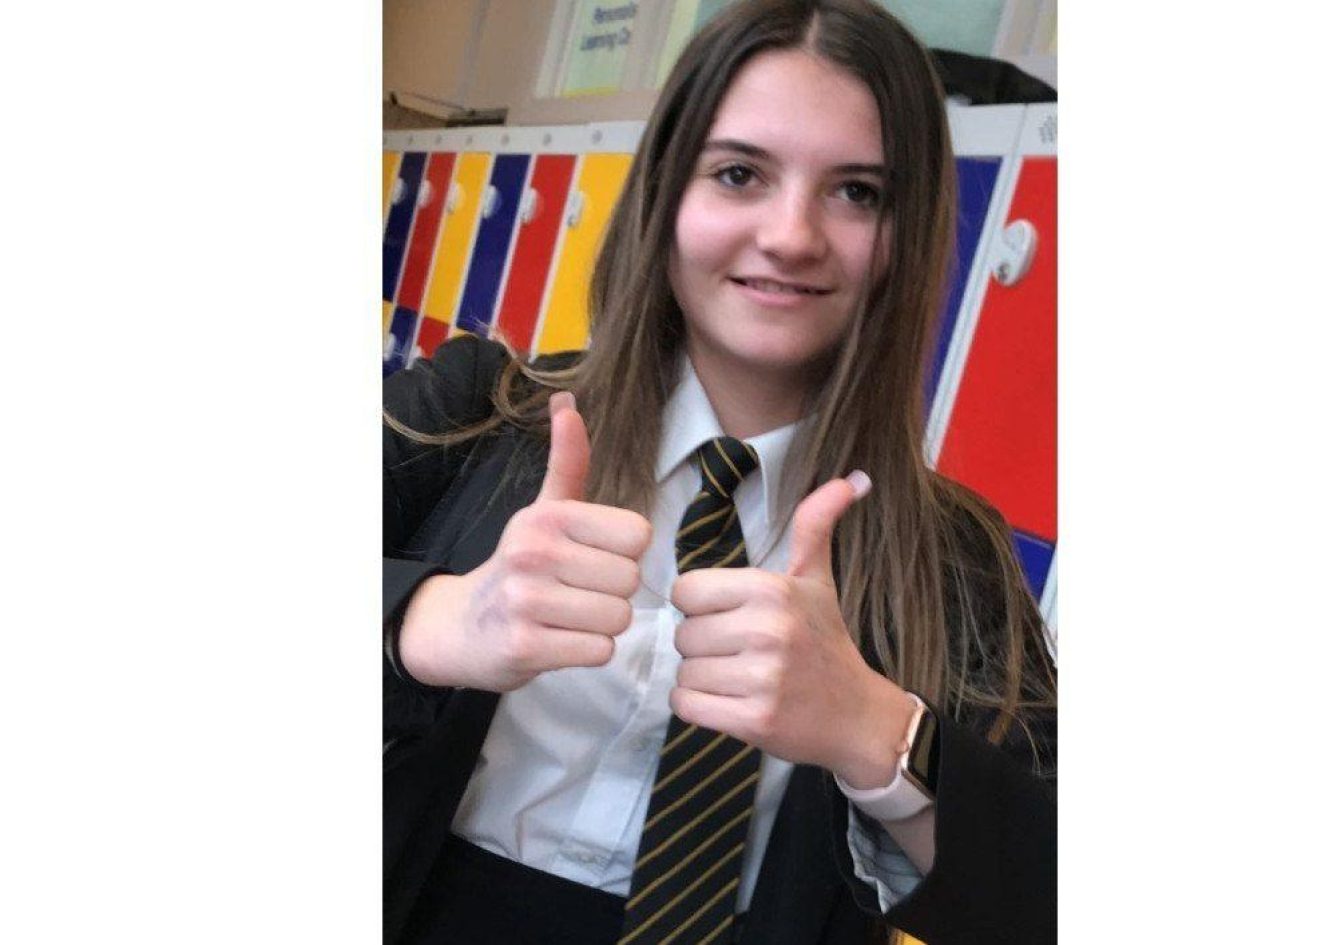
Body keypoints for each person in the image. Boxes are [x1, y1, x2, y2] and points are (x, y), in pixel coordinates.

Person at [382, 1, 1057, 942]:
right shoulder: (472, 410)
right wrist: (431, 620)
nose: (791, 235)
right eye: (739, 173)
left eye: (857, 191)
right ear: (667, 191)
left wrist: (878, 735)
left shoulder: (949, 554)